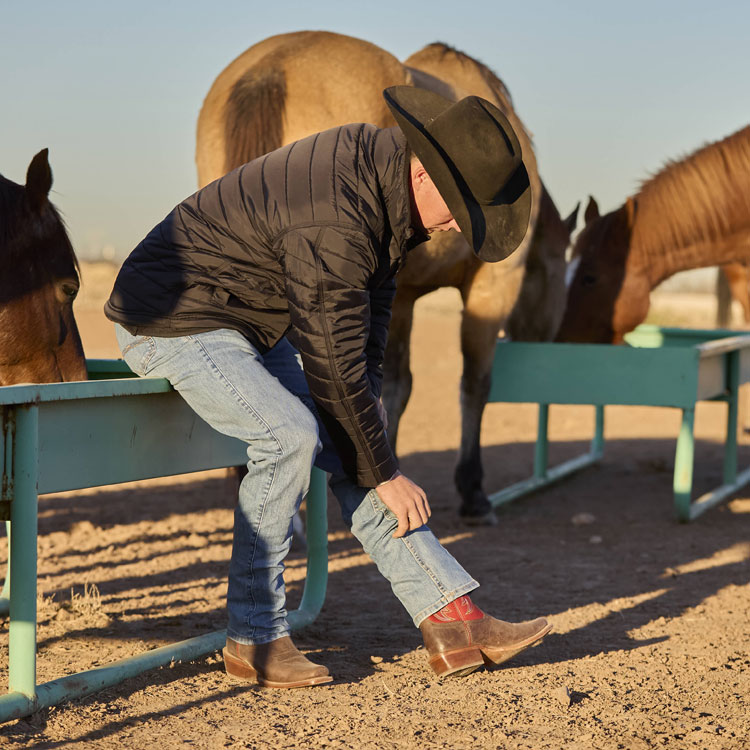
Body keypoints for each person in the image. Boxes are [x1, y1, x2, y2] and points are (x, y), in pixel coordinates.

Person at [104, 86, 551, 688]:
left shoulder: (385, 194)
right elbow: (329, 343)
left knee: (356, 443)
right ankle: (254, 639)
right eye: (457, 209)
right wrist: (385, 472)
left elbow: (366, 331)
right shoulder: (338, 208)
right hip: (172, 319)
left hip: (245, 324)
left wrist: (372, 438)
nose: (453, 226)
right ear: (426, 173)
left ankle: (453, 618)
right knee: (288, 436)